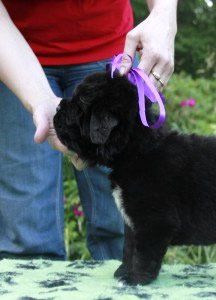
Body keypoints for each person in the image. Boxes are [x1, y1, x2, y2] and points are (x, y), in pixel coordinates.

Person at [0, 0, 177, 260]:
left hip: (112, 55)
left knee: (126, 228)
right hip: (12, 55)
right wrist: (39, 99)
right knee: (28, 236)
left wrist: (164, 16)